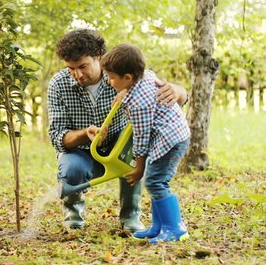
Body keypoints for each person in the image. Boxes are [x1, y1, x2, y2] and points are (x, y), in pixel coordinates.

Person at [47, 28, 188, 231]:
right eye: (71, 68)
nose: (77, 74)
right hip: (81, 151)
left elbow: (164, 96)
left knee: (134, 150)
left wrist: (178, 90)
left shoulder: (120, 72)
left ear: (98, 57)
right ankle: (73, 216)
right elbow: (57, 136)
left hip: (119, 145)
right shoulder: (58, 85)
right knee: (71, 169)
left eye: (82, 66)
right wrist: (85, 133)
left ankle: (131, 217)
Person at [98, 43, 190, 243]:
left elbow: (141, 139)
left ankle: (174, 228)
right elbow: (147, 74)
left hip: (170, 140)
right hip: (173, 134)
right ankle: (159, 226)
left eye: (112, 77)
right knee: (154, 181)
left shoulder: (139, 104)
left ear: (128, 78)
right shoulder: (146, 76)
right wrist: (123, 93)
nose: (109, 81)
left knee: (155, 181)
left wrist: (138, 169)